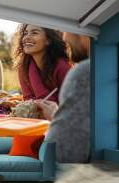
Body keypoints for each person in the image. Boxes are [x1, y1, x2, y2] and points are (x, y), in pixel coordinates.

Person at [35, 32, 91, 163]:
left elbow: (60, 153)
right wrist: (57, 116)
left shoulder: (84, 72)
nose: (64, 37)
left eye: (67, 29)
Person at [13, 24, 71, 103]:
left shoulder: (62, 67)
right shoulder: (23, 67)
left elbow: (71, 104)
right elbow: (28, 100)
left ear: (48, 40)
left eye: (34, 33)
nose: (26, 37)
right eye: (25, 33)